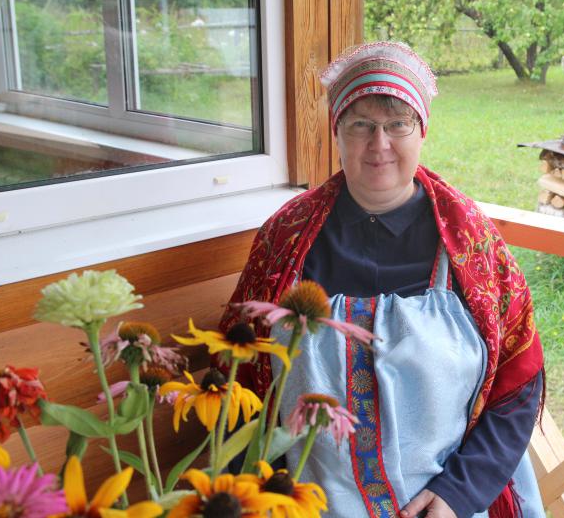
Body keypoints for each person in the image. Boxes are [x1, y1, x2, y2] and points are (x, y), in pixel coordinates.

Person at [220, 42, 546, 518]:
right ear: (336, 131)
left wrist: (460, 492)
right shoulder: (286, 238)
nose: (380, 144)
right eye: (360, 125)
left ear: (422, 131)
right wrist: (254, 494)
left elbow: (520, 379)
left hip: (450, 502)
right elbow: (239, 374)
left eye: (398, 124)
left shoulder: (469, 241)